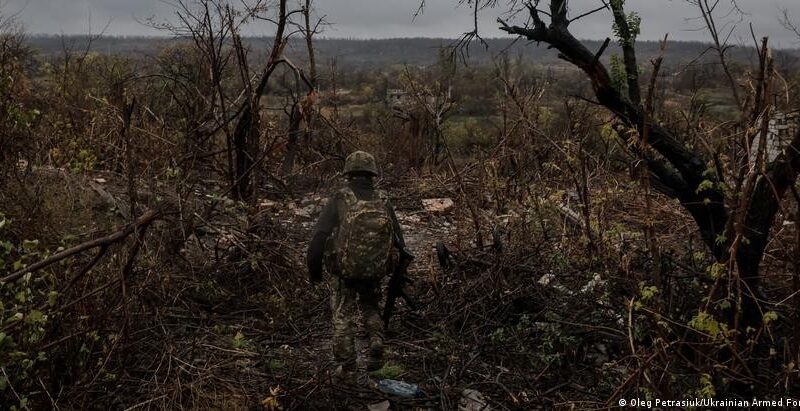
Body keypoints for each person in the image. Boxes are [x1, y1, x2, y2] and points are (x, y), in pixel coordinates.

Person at [306, 151, 406, 382]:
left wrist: (315, 271)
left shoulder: (341, 198)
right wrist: (394, 270)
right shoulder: (383, 199)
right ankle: (376, 343)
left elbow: (319, 237)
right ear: (373, 174)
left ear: (348, 173)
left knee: (343, 315)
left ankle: (348, 367)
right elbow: (400, 241)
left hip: (344, 271)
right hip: (374, 270)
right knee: (371, 306)